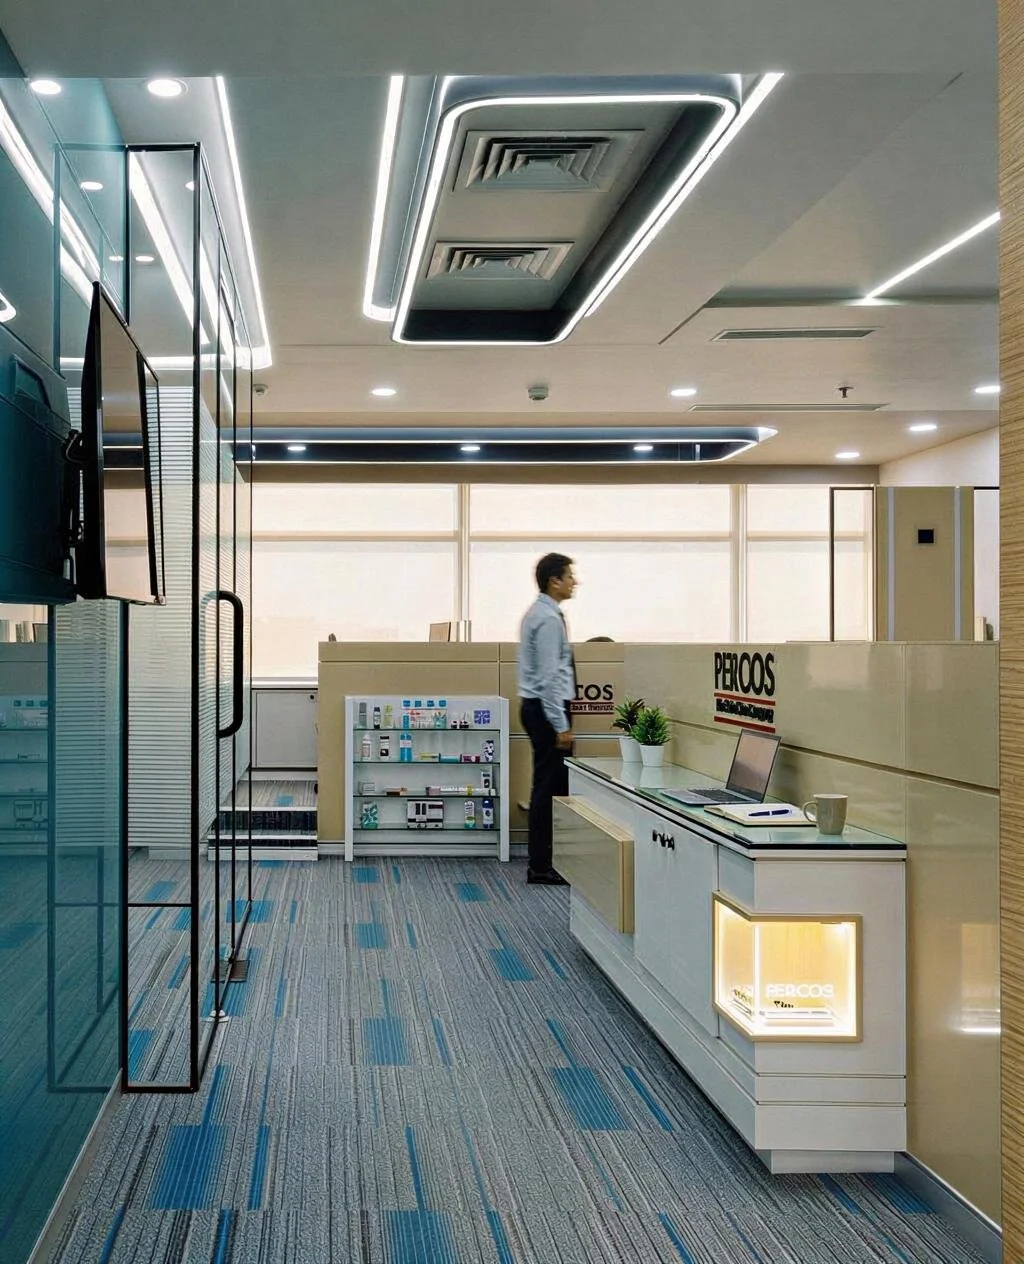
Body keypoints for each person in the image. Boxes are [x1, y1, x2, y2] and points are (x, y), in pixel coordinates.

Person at [517, 552, 578, 885]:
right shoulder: (549, 619)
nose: (574, 582)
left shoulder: (540, 614)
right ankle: (541, 865)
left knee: (549, 786)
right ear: (554, 580)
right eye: (569, 576)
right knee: (547, 790)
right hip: (545, 710)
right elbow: (549, 678)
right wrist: (561, 725)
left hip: (538, 707)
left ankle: (545, 861)